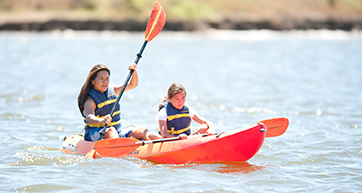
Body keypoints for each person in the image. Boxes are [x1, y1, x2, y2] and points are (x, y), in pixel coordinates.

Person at [78, 63, 162, 142]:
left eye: (107, 78)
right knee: (111, 131)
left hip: (117, 131)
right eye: (101, 78)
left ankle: (155, 147)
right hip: (96, 133)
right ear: (92, 81)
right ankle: (120, 149)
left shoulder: (112, 90)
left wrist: (134, 72)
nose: (105, 81)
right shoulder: (90, 100)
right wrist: (102, 121)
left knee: (142, 130)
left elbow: (132, 85)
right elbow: (89, 117)